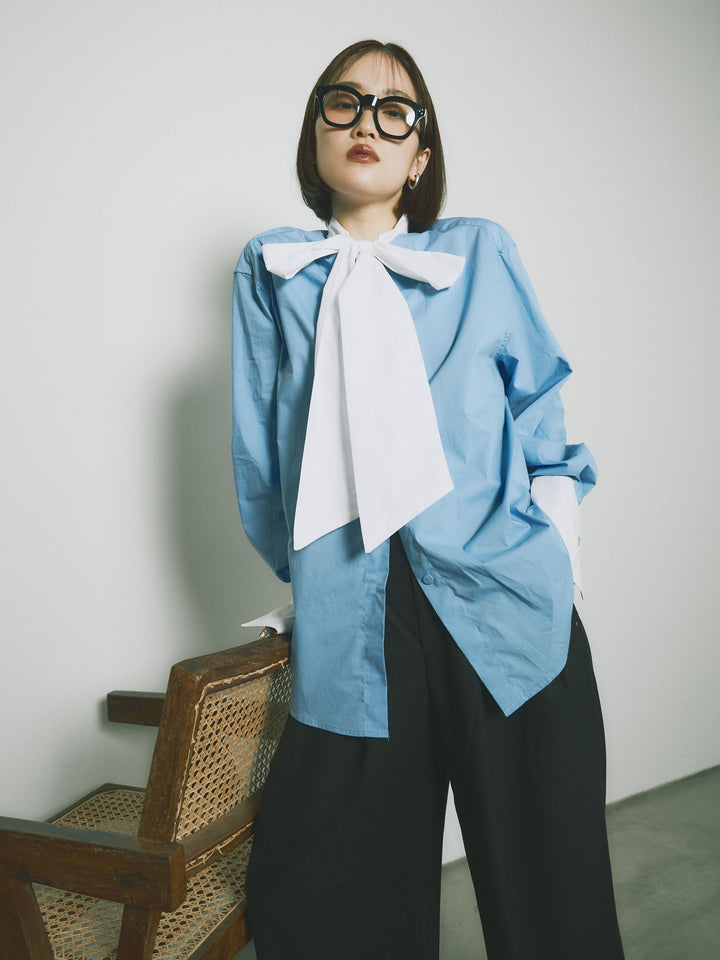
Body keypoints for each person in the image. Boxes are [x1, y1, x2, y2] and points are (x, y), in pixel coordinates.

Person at [232, 38, 625, 960]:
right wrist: (312, 581)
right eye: (342, 103)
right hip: (354, 620)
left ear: (420, 156)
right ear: (315, 134)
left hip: (505, 604)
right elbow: (261, 454)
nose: (366, 122)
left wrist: (556, 558)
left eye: (394, 110)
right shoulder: (273, 268)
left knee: (553, 897)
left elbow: (538, 414)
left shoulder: (477, 252)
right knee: (328, 901)